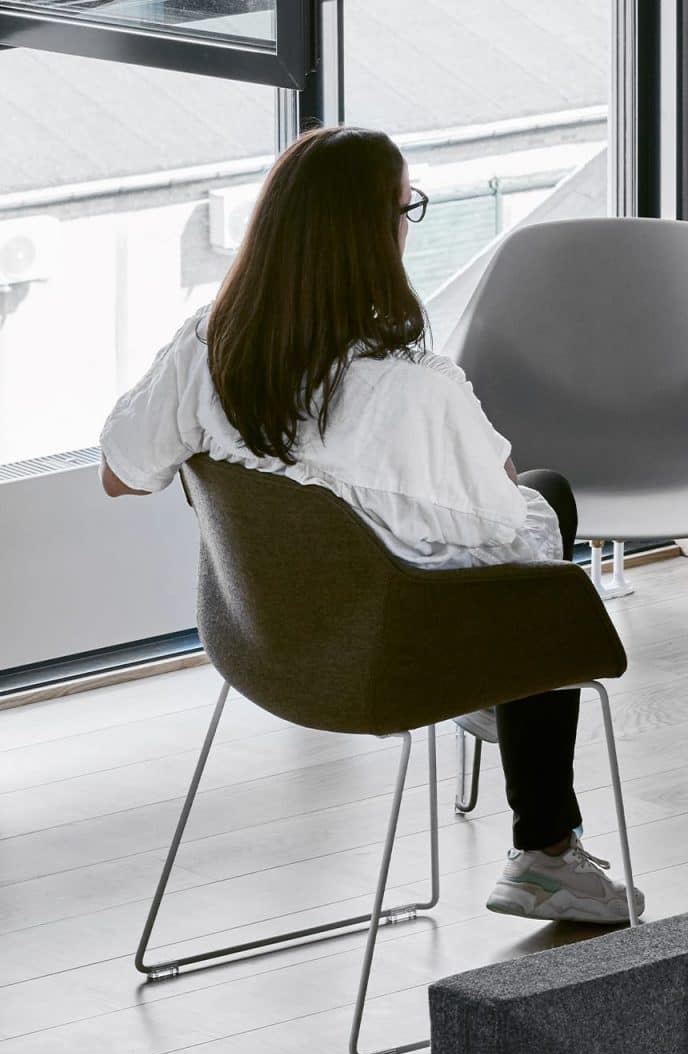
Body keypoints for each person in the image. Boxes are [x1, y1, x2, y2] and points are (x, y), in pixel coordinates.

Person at [97, 125, 641, 925]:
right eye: (405, 208)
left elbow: (119, 473)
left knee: (497, 534)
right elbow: (517, 548)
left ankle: (511, 743)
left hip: (263, 645)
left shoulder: (208, 347)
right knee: (547, 504)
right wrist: (499, 472)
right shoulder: (412, 392)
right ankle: (545, 851)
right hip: (384, 665)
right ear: (372, 236)